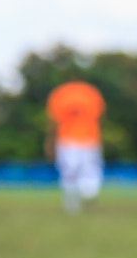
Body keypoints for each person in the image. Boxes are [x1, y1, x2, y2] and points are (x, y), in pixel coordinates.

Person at [45, 78, 105, 213]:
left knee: (87, 172)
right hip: (67, 139)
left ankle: (86, 194)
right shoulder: (61, 94)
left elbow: (99, 115)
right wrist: (51, 142)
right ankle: (72, 202)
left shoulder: (89, 92)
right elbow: (54, 120)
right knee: (69, 171)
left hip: (89, 139)